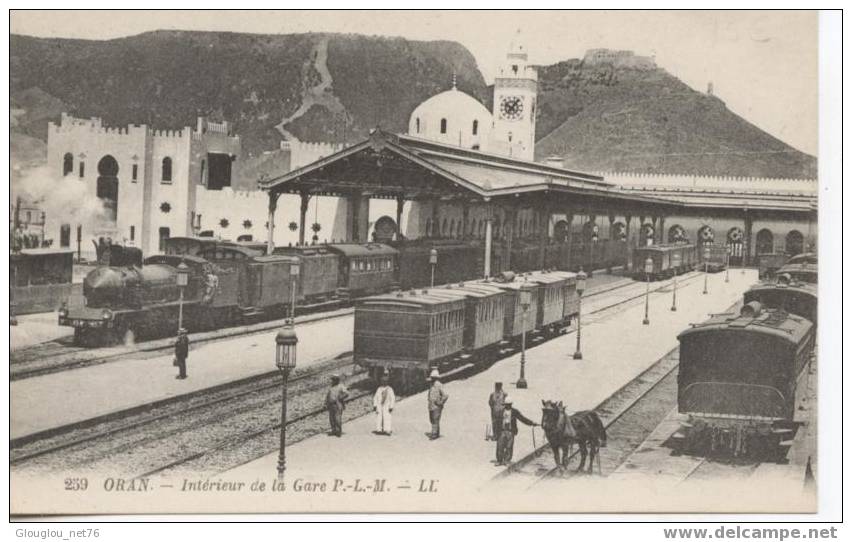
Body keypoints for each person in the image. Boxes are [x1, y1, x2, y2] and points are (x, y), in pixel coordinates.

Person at [496, 397, 538, 466]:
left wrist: (531, 423)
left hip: (510, 431)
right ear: (504, 404)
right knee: (500, 446)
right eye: (506, 404)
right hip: (502, 431)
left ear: (511, 404)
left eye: (509, 404)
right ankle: (499, 460)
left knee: (509, 446)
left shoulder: (515, 412)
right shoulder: (501, 412)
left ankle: (507, 460)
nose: (508, 406)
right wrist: (496, 432)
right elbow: (496, 422)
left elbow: (522, 418)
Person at [426, 369, 448, 440]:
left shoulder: (439, 385)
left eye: (433, 377)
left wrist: (440, 402)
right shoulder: (431, 385)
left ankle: (434, 434)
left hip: (437, 406)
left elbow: (445, 395)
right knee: (432, 419)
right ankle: (437, 433)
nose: (432, 379)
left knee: (435, 419)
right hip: (431, 405)